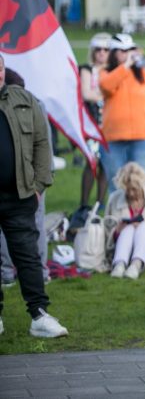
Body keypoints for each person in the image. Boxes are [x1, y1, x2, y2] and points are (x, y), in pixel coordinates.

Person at [0, 53, 67, 338]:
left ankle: (39, 315)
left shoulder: (24, 100)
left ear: (3, 70)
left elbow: (42, 143)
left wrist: (39, 185)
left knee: (28, 256)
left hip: (20, 196)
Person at [99, 34, 145, 194]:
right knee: (117, 188)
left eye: (130, 49)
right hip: (113, 140)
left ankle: (144, 219)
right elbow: (107, 86)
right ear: (114, 53)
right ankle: (119, 219)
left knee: (144, 186)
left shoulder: (143, 73)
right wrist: (125, 66)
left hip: (143, 138)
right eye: (123, 50)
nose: (128, 53)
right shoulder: (106, 73)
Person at [78, 32, 111, 210]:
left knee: (105, 164)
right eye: (98, 49)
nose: (101, 53)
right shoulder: (87, 69)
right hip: (91, 124)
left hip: (109, 123)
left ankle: (100, 203)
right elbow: (86, 94)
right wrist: (105, 95)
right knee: (91, 162)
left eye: (106, 49)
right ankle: (84, 203)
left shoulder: (114, 69)